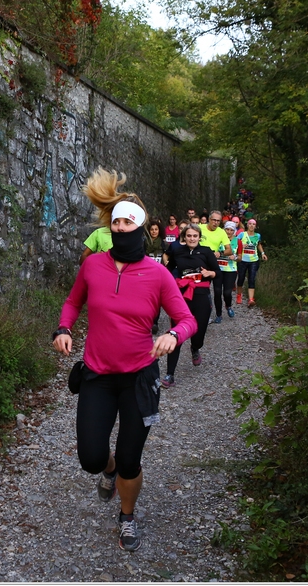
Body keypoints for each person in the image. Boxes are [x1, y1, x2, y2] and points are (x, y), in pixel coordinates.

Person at [52, 168, 197, 552]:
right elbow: (73, 302)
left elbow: (187, 319)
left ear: (141, 228)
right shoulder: (93, 266)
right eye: (115, 222)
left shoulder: (157, 274)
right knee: (91, 457)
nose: (119, 228)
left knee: (131, 459)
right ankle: (109, 469)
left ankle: (127, 517)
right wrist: (63, 328)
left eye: (126, 223)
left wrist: (172, 336)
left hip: (139, 378)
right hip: (97, 376)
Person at [161, 224, 219, 384]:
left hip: (201, 295)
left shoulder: (206, 251)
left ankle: (195, 347)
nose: (192, 239)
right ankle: (170, 374)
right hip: (182, 296)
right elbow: (168, 269)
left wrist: (210, 273)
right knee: (175, 333)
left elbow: (218, 272)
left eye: (195, 236)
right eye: (189, 236)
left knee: (199, 332)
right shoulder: (178, 251)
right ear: (184, 237)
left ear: (199, 237)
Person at [198, 210, 232, 323]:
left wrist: (220, 253)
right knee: (202, 289)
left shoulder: (221, 232)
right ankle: (203, 314)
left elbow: (229, 250)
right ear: (209, 219)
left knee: (217, 291)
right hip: (200, 262)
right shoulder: (200, 228)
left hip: (213, 263)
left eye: (218, 221)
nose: (216, 223)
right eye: (214, 220)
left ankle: (218, 314)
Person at [236, 218, 268, 307]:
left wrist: (263, 253)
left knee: (252, 279)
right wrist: (241, 245)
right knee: (241, 278)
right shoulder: (242, 234)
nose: (251, 225)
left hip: (254, 260)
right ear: (247, 225)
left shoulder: (258, 235)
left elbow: (259, 244)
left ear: (255, 226)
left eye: (253, 224)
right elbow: (234, 244)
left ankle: (251, 299)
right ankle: (239, 295)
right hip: (242, 260)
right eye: (250, 223)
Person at [219, 221, 240, 318]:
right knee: (217, 292)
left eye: (231, 230)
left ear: (234, 231)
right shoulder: (219, 239)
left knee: (227, 292)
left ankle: (228, 306)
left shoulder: (238, 241)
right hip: (218, 269)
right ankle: (218, 314)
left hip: (231, 270)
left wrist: (235, 257)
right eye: (227, 229)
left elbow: (240, 257)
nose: (229, 232)